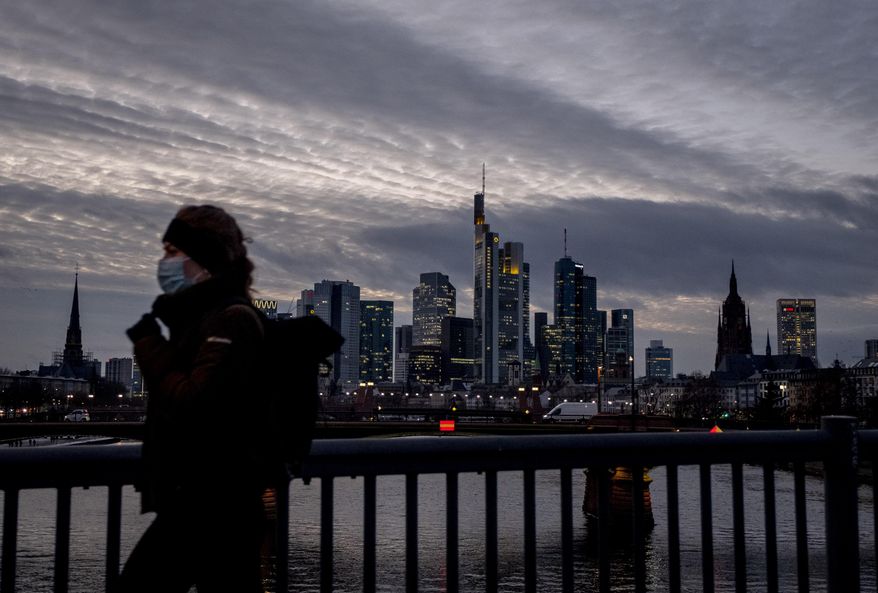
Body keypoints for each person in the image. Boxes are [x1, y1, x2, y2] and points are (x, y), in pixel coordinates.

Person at [118, 205, 270, 593]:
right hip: (209, 501)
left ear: (203, 259)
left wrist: (150, 346)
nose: (163, 262)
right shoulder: (202, 319)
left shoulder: (231, 319)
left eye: (173, 252)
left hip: (212, 504)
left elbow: (195, 405)